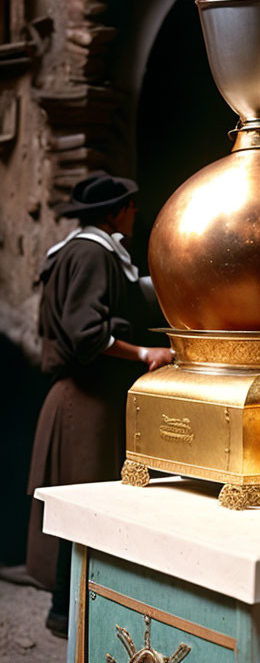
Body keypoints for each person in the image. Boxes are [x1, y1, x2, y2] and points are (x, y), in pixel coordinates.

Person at [26, 172, 174, 637]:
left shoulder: (83, 250)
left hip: (87, 400)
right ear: (114, 212)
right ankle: (65, 615)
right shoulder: (91, 253)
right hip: (83, 403)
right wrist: (144, 353)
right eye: (129, 207)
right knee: (84, 509)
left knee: (86, 506)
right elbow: (86, 333)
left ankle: (71, 613)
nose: (134, 214)